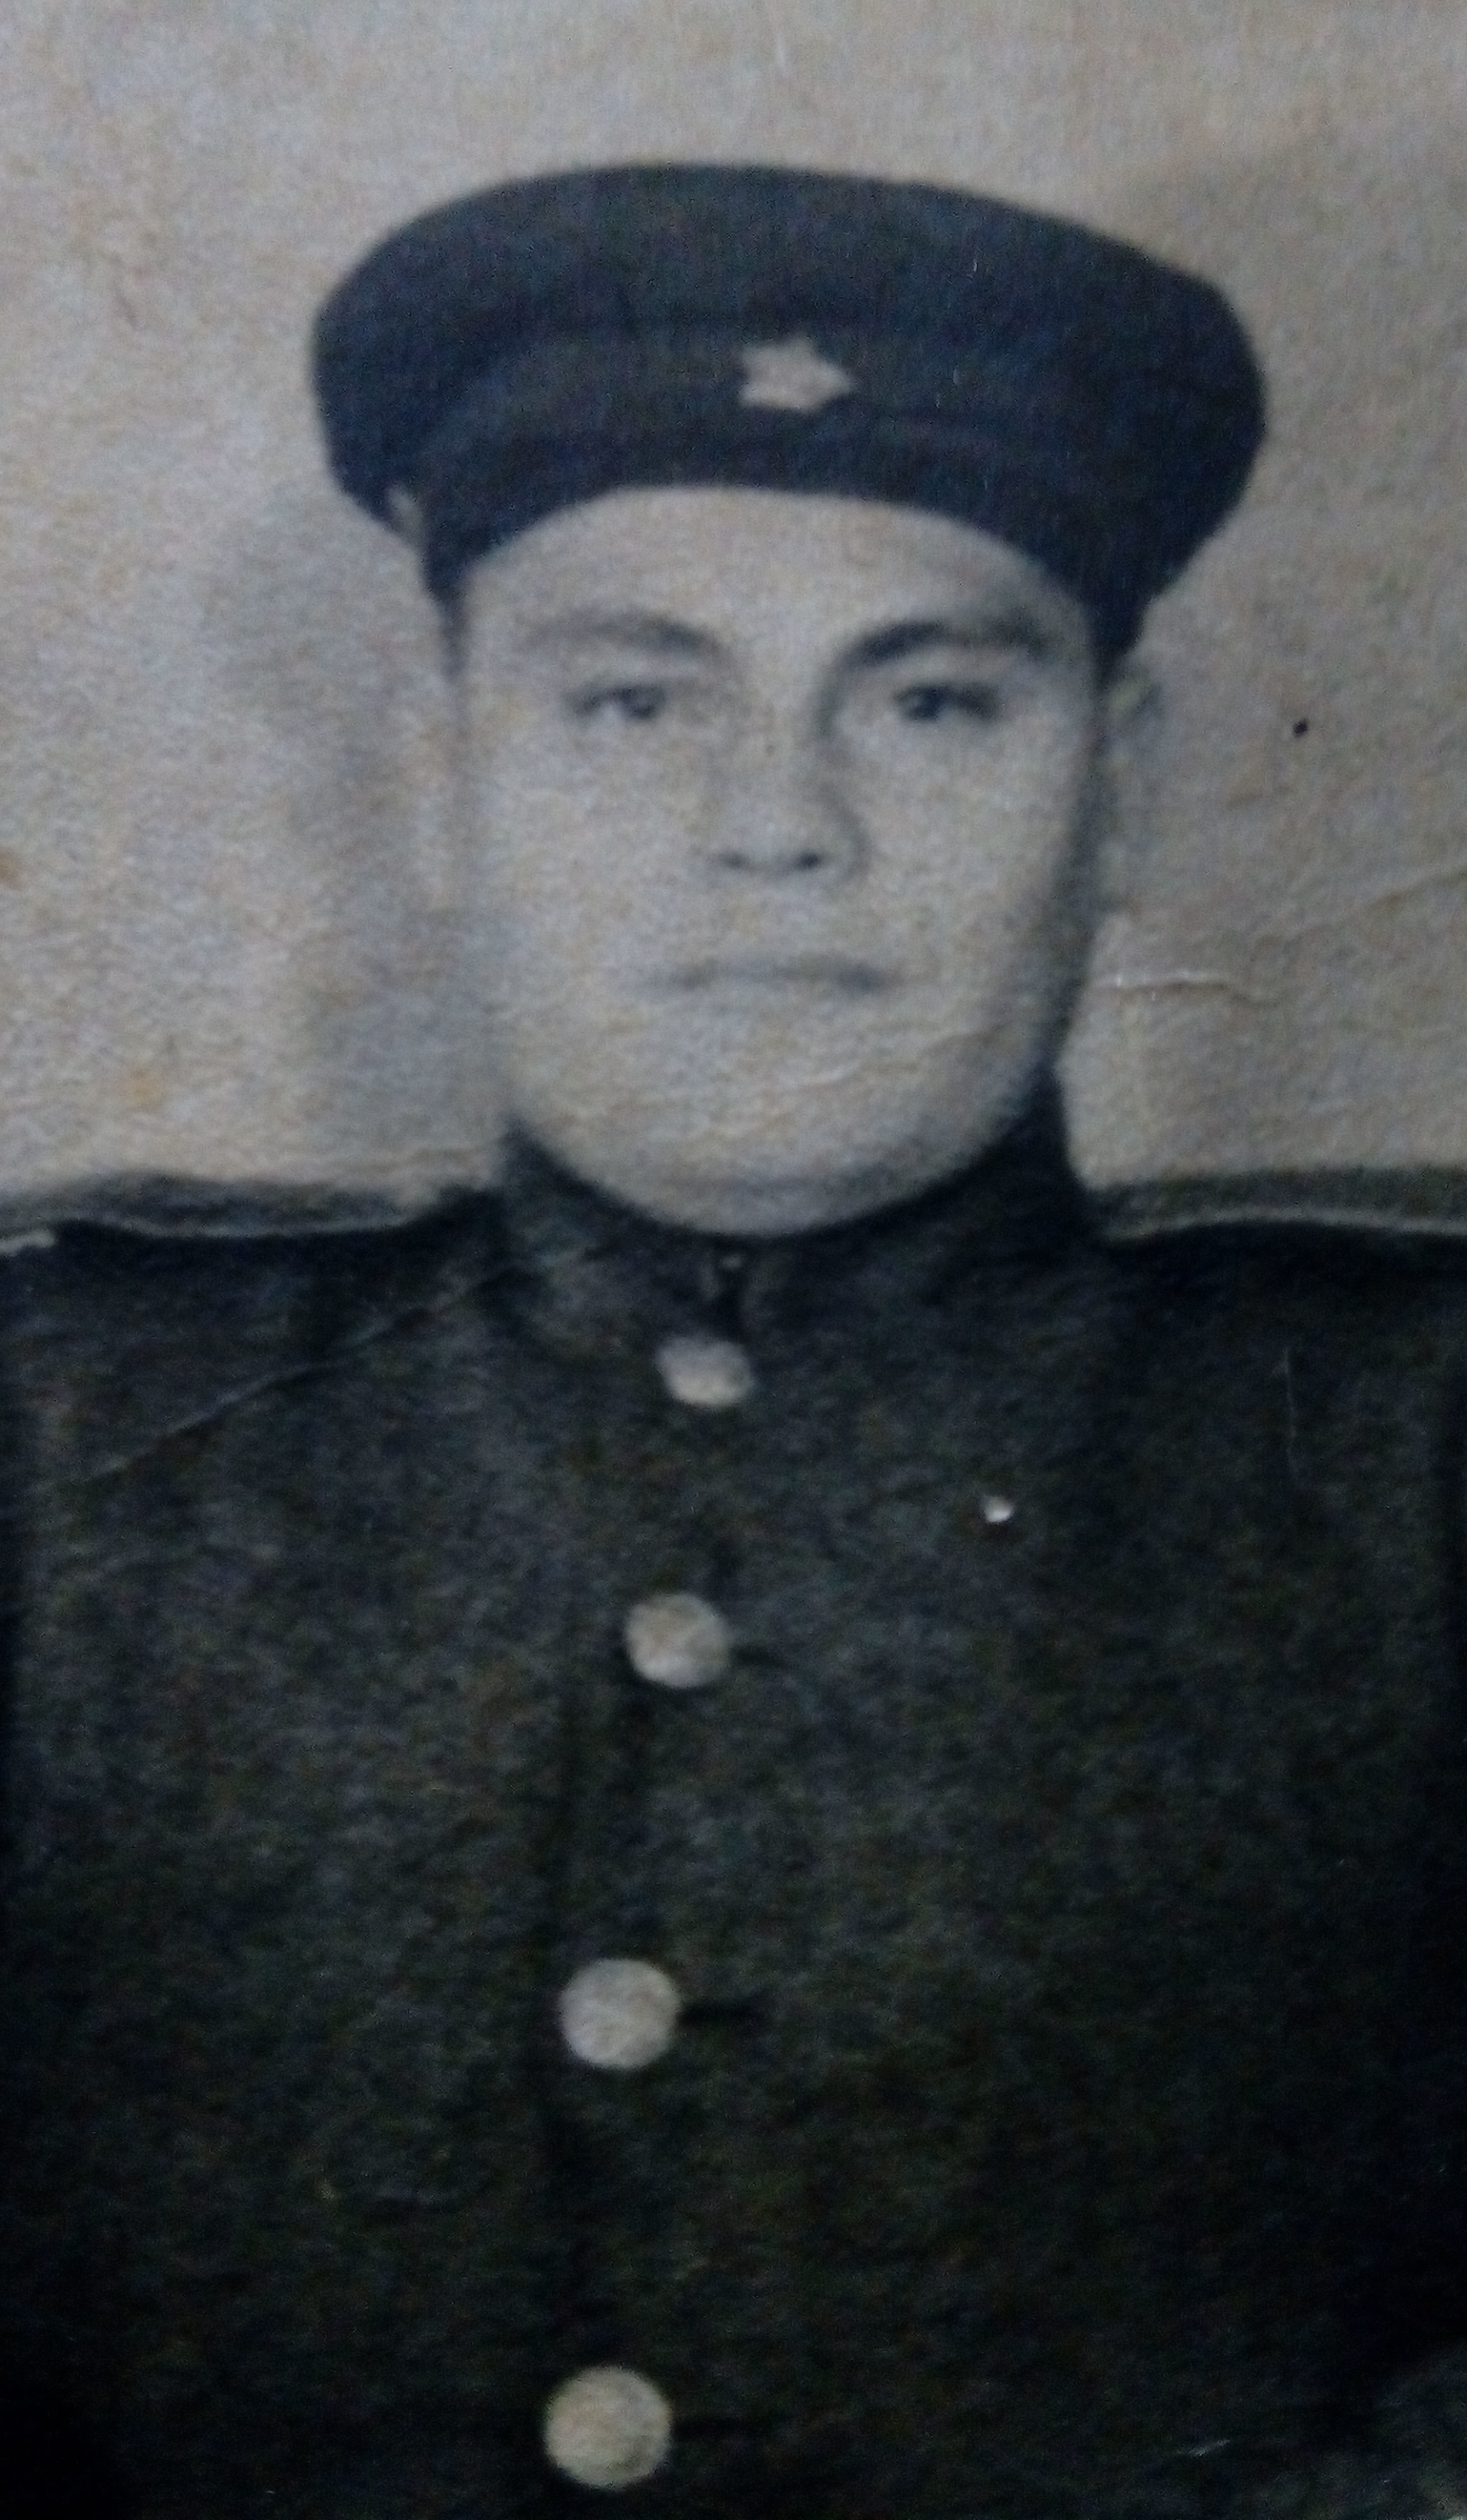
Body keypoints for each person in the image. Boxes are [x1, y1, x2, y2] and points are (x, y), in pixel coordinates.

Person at [2, 162, 1465, 2520]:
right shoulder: (60, 1429)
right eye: (631, 699)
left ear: (1125, 788)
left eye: (934, 700)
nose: (776, 824)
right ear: (438, 784)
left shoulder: (1413, 1449)